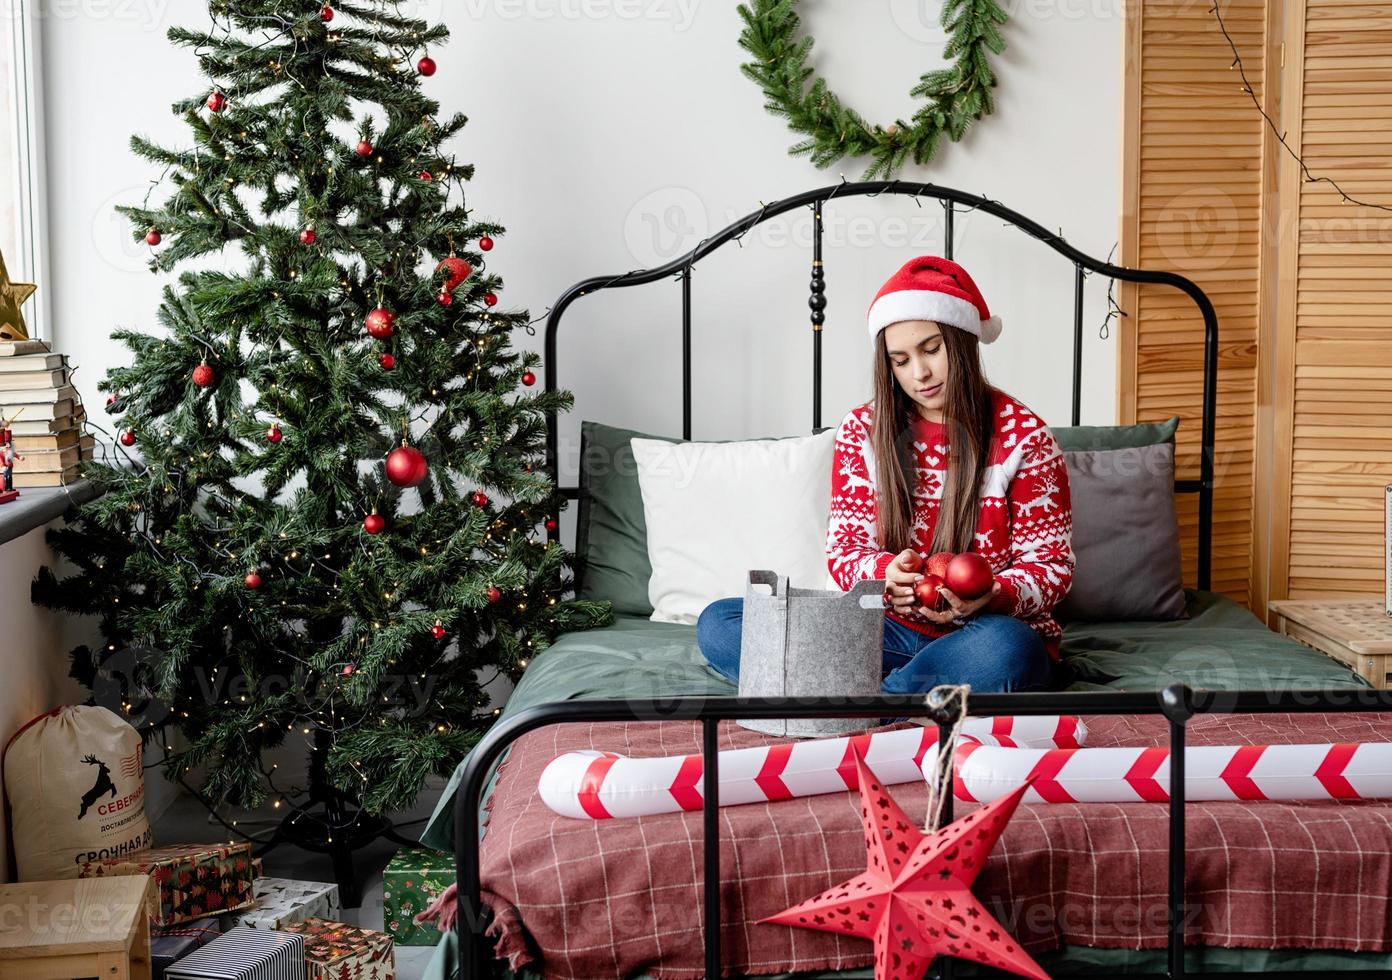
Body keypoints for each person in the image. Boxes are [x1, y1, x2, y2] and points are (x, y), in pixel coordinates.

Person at [696, 255, 1075, 694]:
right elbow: (845, 552)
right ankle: (905, 696)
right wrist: (886, 574)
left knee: (1011, 650)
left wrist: (991, 595)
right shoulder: (863, 430)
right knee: (721, 621)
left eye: (932, 349)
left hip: (980, 635)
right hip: (882, 633)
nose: (920, 374)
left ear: (964, 341)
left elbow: (1052, 568)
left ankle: (848, 699)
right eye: (901, 360)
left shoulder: (1025, 435)